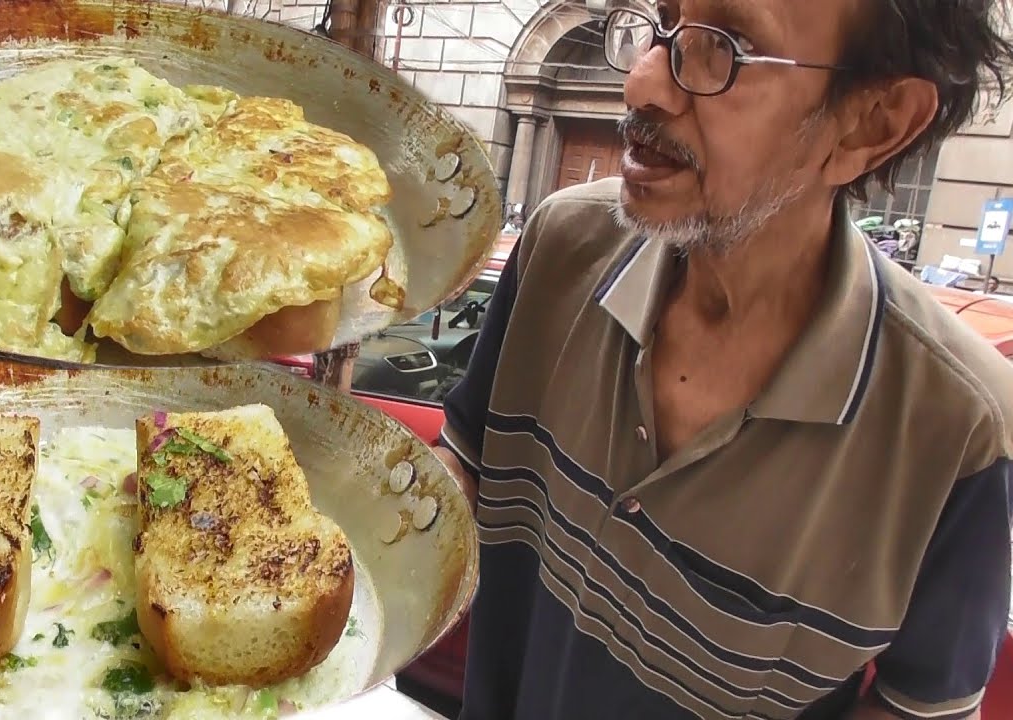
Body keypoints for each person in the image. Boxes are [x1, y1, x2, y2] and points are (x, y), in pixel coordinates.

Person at [432, 2, 1013, 719]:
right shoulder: (559, 247)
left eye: (726, 48)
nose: (645, 83)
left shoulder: (959, 430)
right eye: (664, 22)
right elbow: (462, 472)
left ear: (874, 123)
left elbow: (917, 706)